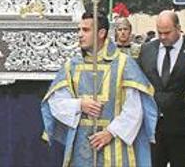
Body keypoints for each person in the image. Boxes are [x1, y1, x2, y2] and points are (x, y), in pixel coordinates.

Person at [41, 12, 157, 166]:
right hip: (82, 145)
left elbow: (135, 108)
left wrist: (111, 132)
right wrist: (79, 104)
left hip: (116, 143)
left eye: (86, 30)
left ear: (102, 33)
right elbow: (56, 102)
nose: (80, 35)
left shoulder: (124, 64)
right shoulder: (72, 66)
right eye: (79, 30)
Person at [138, 10, 185, 167]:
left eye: (167, 32)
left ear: (178, 28)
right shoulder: (147, 50)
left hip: (182, 130)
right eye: (159, 32)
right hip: (152, 130)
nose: (162, 37)